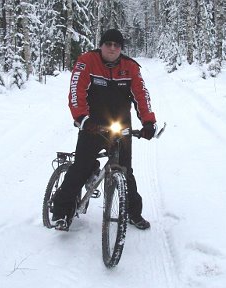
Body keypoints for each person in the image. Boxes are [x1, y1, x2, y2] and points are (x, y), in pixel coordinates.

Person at [52, 29, 157, 231]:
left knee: (126, 172)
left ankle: (133, 213)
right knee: (80, 168)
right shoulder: (87, 61)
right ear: (101, 45)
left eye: (116, 45)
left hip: (121, 127)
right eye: (108, 44)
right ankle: (61, 213)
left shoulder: (131, 67)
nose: (112, 48)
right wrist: (82, 118)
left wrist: (148, 122)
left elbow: (142, 96)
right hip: (93, 126)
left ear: (121, 48)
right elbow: (76, 91)